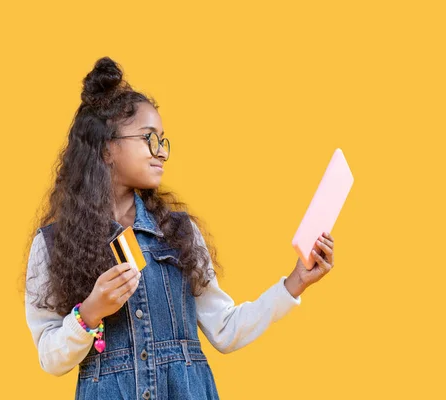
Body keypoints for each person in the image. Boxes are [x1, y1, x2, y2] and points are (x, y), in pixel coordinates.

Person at [24, 56, 335, 400]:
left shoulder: (179, 232)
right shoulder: (53, 244)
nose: (162, 152)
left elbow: (225, 329)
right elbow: (50, 359)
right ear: (107, 148)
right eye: (148, 138)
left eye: (163, 140)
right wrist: (91, 311)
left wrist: (295, 283)